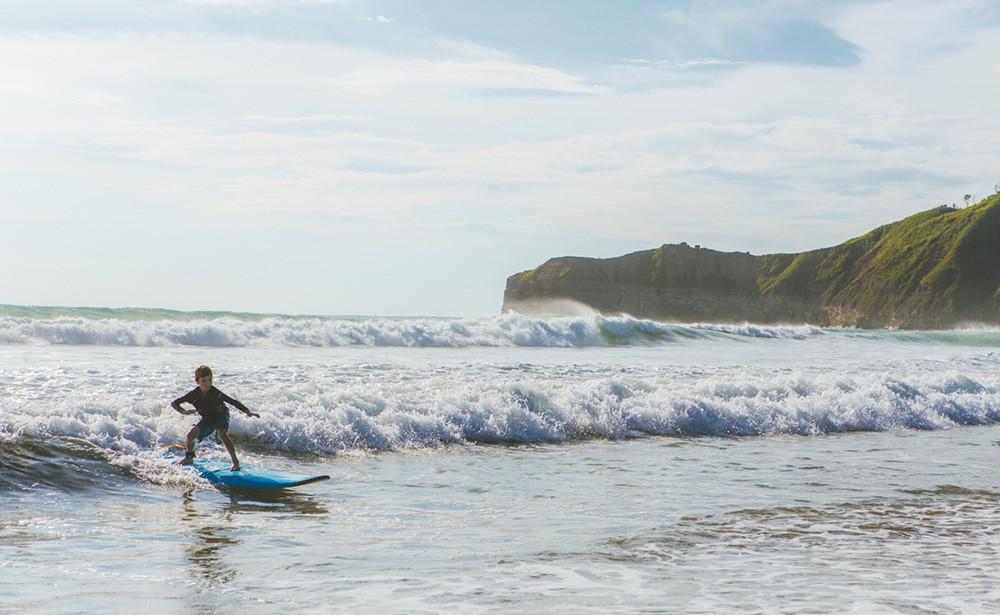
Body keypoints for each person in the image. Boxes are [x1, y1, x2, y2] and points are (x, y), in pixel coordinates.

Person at [171, 365, 259, 471]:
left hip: (221, 415)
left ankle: (236, 463)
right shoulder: (193, 395)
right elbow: (174, 403)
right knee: (190, 436)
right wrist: (183, 411)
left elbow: (232, 401)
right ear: (197, 382)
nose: (208, 383)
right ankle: (189, 457)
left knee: (222, 433)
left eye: (210, 380)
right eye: (204, 381)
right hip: (207, 419)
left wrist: (247, 411)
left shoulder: (214, 392)